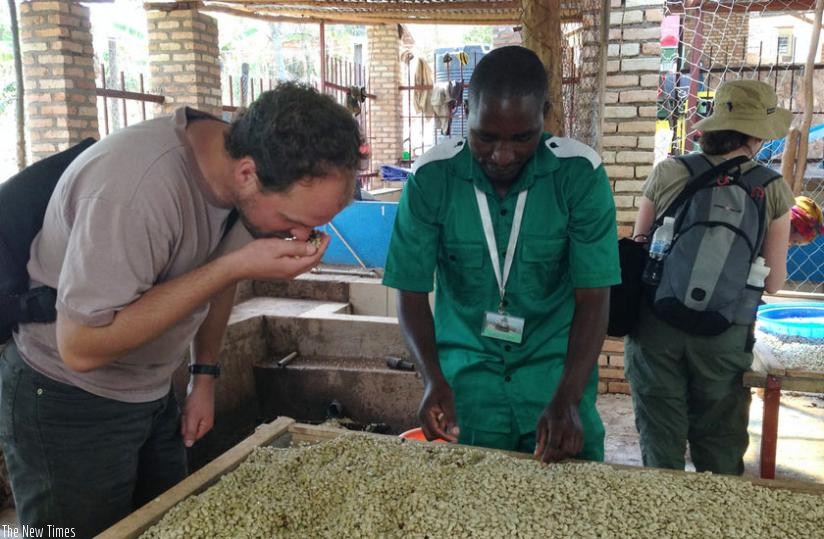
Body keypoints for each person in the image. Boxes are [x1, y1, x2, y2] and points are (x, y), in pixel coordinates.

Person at [0, 81, 365, 537]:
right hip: (67, 397)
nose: (298, 235)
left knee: (163, 525)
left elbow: (219, 280)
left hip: (151, 391)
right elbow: (80, 346)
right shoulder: (135, 190)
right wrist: (235, 265)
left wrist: (204, 376)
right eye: (292, 222)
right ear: (248, 174)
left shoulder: (242, 169)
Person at [382, 46, 620, 463]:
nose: (503, 155)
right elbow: (411, 292)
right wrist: (432, 379)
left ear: (544, 115)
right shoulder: (430, 179)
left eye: (522, 137)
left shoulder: (580, 176)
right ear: (465, 110)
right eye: (486, 136)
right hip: (467, 391)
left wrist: (567, 399)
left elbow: (594, 297)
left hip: (555, 382)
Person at [625, 79, 795, 475]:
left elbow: (639, 247)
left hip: (656, 327)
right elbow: (773, 283)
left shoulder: (668, 172)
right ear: (756, 134)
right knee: (719, 447)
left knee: (660, 445)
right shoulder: (772, 188)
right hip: (724, 335)